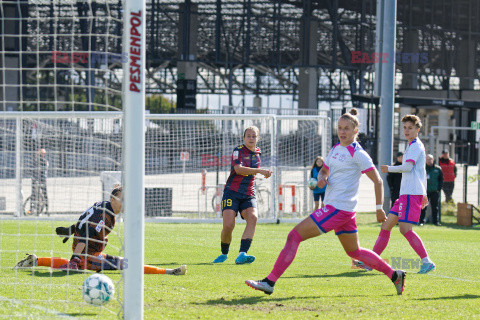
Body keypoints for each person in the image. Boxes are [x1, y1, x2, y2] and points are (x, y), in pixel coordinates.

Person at [245, 109, 406, 296]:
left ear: (356, 130)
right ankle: (395, 275)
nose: (342, 131)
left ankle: (270, 282)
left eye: (347, 128)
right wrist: (321, 178)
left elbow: (378, 180)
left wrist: (379, 209)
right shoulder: (336, 148)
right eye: (339, 128)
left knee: (293, 236)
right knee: (354, 252)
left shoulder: (358, 153)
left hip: (338, 209)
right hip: (342, 211)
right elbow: (325, 171)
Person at [14, 185, 187, 275]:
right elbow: (87, 234)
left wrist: (70, 230)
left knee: (120, 264)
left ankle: (37, 260)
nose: (126, 202)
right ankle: (169, 272)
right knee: (126, 265)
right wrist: (75, 258)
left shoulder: (103, 207)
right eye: (123, 199)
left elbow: (85, 224)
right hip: (87, 254)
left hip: (88, 252)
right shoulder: (105, 216)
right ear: (113, 199)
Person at [354, 115, 435, 274]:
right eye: (404, 127)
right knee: (386, 226)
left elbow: (407, 167)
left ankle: (426, 261)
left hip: (410, 195)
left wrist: (389, 168)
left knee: (405, 229)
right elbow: (420, 172)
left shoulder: (416, 146)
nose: (406, 130)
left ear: (417, 130)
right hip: (407, 195)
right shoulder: (412, 145)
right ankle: (371, 262)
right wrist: (424, 193)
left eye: (410, 128)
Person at [213, 126, 273, 265]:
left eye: (254, 136)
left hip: (248, 193)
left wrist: (265, 173)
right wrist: (259, 171)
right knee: (228, 226)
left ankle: (242, 254)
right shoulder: (238, 150)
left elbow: (253, 172)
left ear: (258, 138)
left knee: (253, 217)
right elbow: (238, 169)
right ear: (244, 138)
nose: (251, 138)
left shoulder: (258, 152)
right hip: (232, 192)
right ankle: (224, 253)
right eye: (249, 136)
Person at [420, 154, 443, 226]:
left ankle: (436, 221)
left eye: (430, 159)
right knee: (423, 207)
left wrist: (438, 189)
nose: (429, 161)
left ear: (433, 160)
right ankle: (421, 221)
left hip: (434, 191)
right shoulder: (422, 169)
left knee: (435, 207)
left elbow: (441, 180)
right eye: (427, 159)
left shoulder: (438, 169)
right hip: (425, 192)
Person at [30, 148, 49, 215]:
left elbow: (43, 169)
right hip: (36, 179)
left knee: (44, 194)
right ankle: (32, 209)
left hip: (42, 179)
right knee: (34, 194)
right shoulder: (36, 160)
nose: (43, 155)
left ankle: (47, 209)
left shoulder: (44, 161)